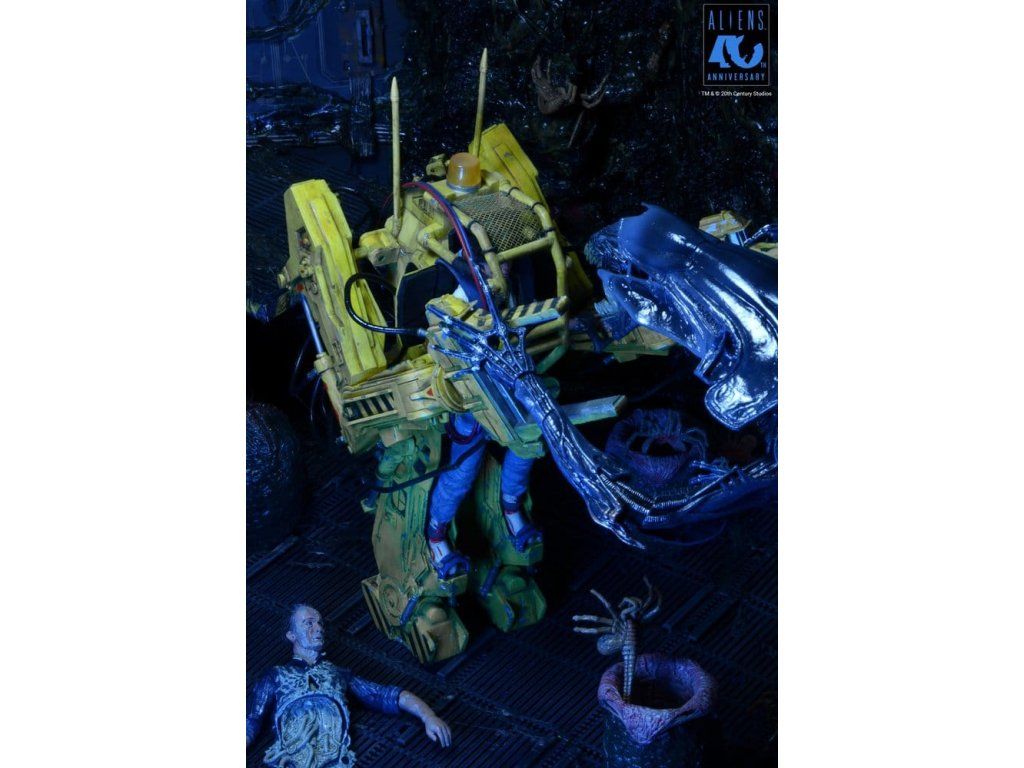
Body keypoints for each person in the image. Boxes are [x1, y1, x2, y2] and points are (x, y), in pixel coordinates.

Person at [247, 604, 452, 767]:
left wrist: (428, 716)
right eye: (308, 623)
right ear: (291, 635)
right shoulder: (276, 676)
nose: (318, 628)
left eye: (319, 623)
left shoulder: (338, 675)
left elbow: (385, 695)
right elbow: (251, 721)